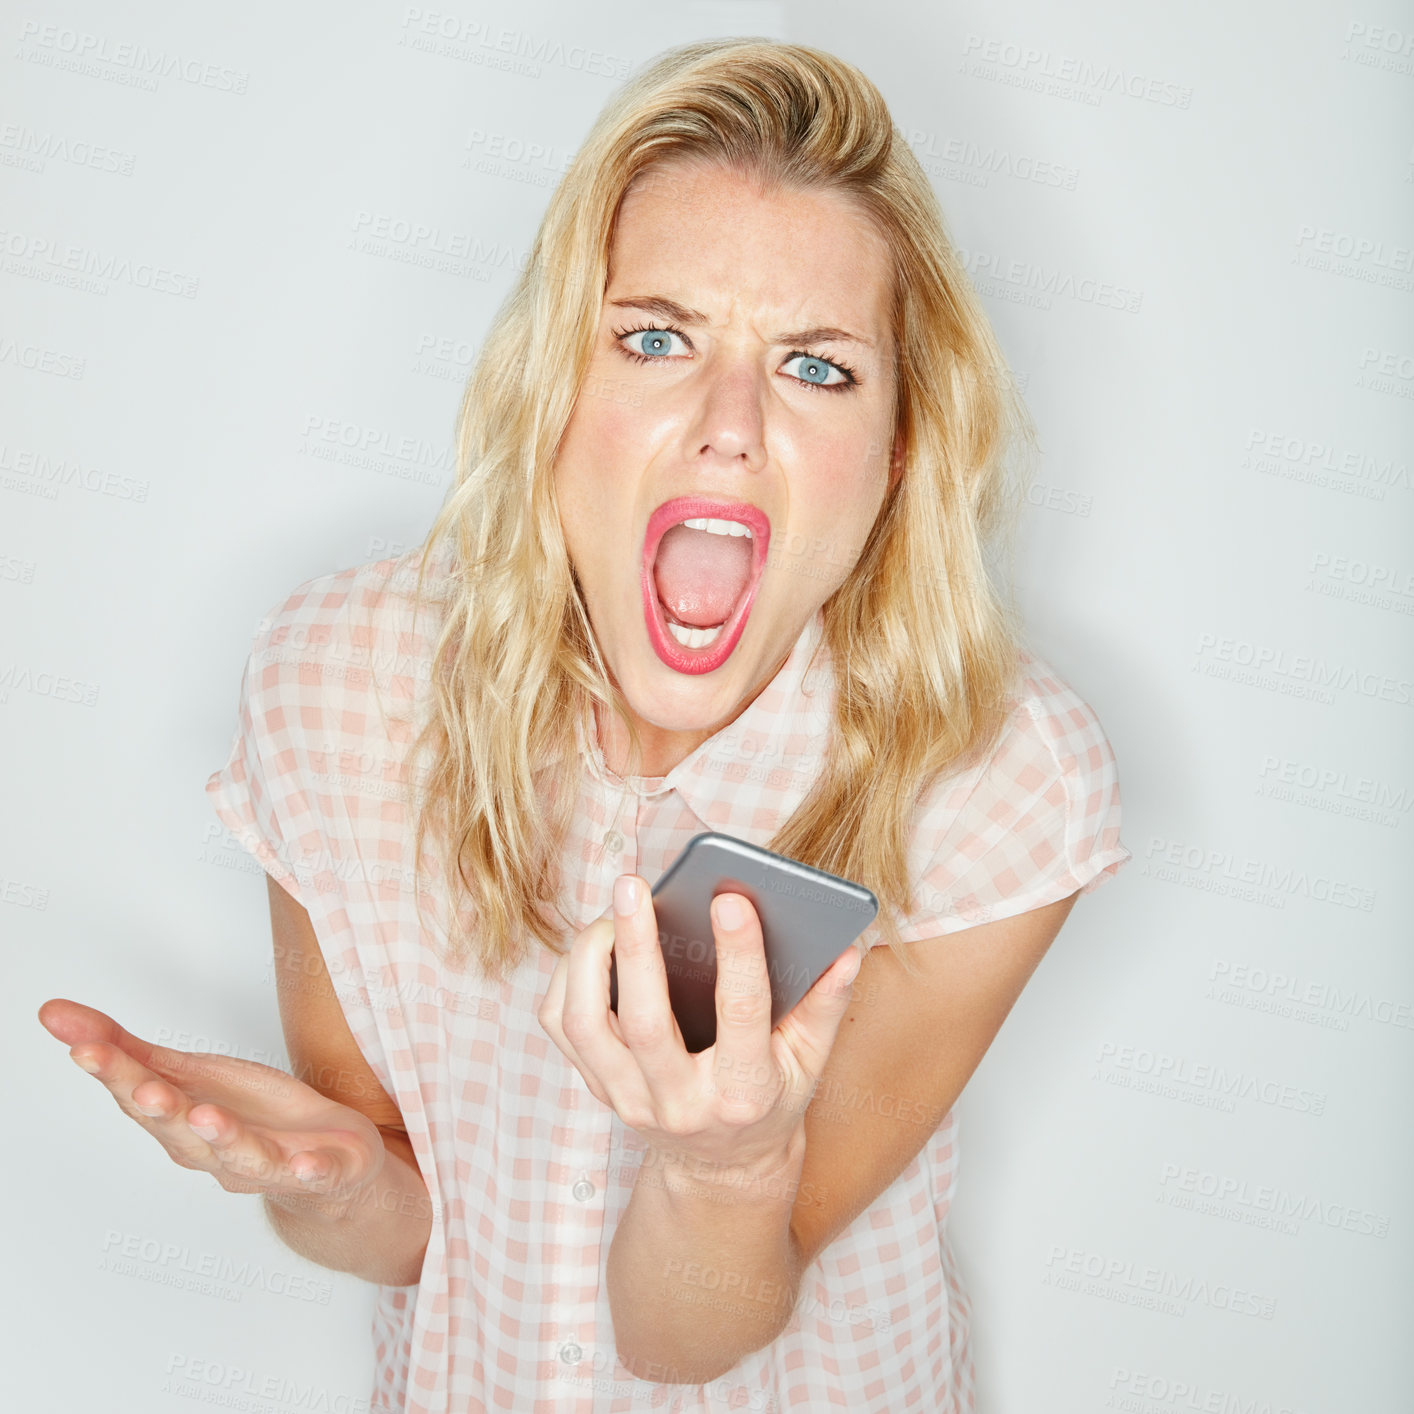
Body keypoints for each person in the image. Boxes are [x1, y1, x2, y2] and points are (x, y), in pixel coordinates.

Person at [37, 35, 1131, 1414]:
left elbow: (689, 1337)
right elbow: (410, 1228)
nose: (727, 424)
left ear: (900, 449)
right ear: (556, 381)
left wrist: (727, 1165)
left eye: (816, 367)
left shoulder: (995, 773)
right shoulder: (340, 682)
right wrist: (331, 1184)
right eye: (655, 337)